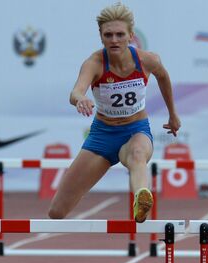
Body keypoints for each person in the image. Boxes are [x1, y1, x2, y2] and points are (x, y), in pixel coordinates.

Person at [48, 3, 181, 222]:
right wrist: (81, 98)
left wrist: (173, 114)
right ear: (101, 37)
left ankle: (141, 198)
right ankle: (139, 195)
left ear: (131, 35)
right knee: (57, 211)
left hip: (135, 129)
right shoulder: (94, 63)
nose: (114, 40)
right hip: (102, 136)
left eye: (120, 34)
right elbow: (75, 91)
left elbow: (164, 77)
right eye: (108, 35)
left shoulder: (147, 60)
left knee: (138, 155)